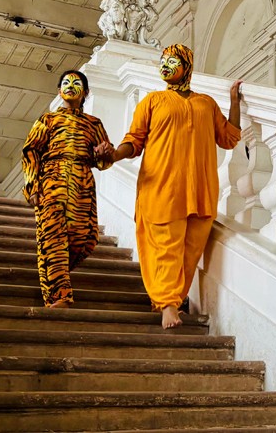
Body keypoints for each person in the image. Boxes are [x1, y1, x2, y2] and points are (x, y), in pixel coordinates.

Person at [106, 44, 242, 328]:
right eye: (163, 61)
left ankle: (175, 299)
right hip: (162, 187)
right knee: (167, 245)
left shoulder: (206, 103)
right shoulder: (152, 101)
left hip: (201, 190)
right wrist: (113, 154)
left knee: (191, 250)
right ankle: (168, 304)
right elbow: (134, 141)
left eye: (172, 61)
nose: (165, 65)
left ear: (187, 65)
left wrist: (234, 102)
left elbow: (229, 138)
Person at [21, 70, 114, 308]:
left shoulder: (94, 124)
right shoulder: (47, 120)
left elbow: (104, 160)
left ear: (86, 92)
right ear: (59, 90)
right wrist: (32, 186)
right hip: (52, 179)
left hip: (82, 182)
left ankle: (52, 270)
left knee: (87, 238)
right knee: (53, 237)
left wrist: (103, 154)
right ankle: (59, 297)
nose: (70, 86)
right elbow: (31, 151)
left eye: (76, 83)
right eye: (65, 83)